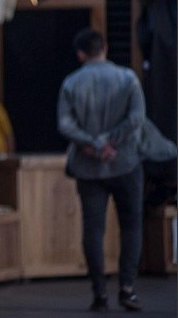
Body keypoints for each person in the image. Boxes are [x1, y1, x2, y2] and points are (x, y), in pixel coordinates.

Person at [57, 28, 145, 312]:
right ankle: (128, 288)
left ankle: (100, 293)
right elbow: (136, 119)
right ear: (105, 47)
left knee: (93, 229)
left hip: (88, 167)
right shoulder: (128, 78)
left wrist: (94, 144)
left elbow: (65, 125)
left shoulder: (71, 82)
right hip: (126, 163)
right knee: (131, 225)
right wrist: (112, 143)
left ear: (81, 54)